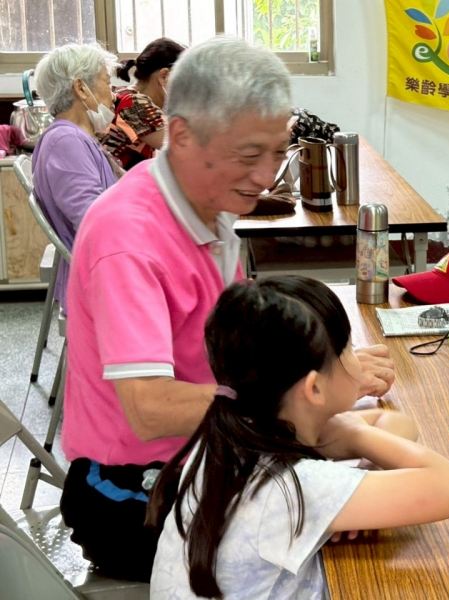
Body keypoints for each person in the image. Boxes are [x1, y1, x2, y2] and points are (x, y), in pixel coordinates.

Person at [59, 37, 396, 582]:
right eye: (248, 156)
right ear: (183, 135)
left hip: (206, 456)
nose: (265, 175)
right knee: (374, 514)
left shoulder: (207, 207)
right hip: (131, 493)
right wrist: (308, 393)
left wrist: (328, 366)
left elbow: (235, 348)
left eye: (276, 151)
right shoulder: (130, 237)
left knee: (386, 440)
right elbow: (149, 408)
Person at [147, 276, 449, 599]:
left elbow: (396, 424)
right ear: (314, 388)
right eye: (348, 348)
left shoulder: (238, 426)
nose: (357, 357)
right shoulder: (287, 488)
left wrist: (360, 493)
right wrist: (358, 437)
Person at [31, 43, 121, 312]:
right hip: (99, 282)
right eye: (108, 83)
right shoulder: (65, 142)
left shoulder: (78, 139)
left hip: (104, 271)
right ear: (81, 88)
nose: (114, 96)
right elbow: (96, 223)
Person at [99, 37, 186, 169]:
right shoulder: (135, 104)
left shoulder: (126, 96)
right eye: (185, 81)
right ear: (164, 76)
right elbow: (184, 147)